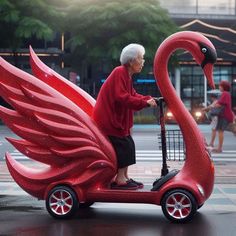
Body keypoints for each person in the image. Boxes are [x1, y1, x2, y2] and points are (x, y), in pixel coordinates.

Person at [93, 44, 157, 190]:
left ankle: (123, 177)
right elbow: (122, 97)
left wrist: (148, 99)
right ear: (131, 61)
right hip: (109, 119)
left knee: (128, 144)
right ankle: (120, 179)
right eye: (140, 59)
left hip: (115, 119)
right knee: (124, 146)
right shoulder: (119, 72)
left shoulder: (126, 75)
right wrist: (145, 103)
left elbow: (133, 95)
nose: (142, 62)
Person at [203, 81, 234, 153]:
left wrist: (210, 107)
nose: (219, 87)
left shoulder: (225, 94)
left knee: (220, 131)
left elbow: (219, 104)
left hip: (224, 115)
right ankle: (218, 147)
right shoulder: (225, 94)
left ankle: (219, 148)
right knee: (220, 131)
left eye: (220, 86)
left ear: (224, 87)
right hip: (223, 115)